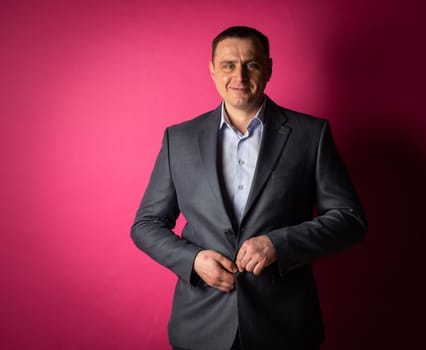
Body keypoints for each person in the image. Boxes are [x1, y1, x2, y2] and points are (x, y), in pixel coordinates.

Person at [131, 26, 367, 350]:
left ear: (268, 68)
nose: (239, 75)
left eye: (251, 64)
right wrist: (194, 260)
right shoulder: (179, 140)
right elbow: (146, 224)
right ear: (212, 70)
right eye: (228, 65)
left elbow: (350, 219)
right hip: (200, 326)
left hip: (285, 328)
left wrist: (278, 245)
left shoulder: (311, 135)